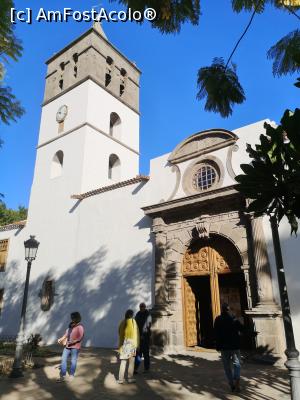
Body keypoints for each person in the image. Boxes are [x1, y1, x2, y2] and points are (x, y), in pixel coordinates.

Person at [214, 303, 244, 393]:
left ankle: (231, 384)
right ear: (228, 310)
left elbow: (216, 333)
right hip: (234, 346)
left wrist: (217, 345)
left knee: (227, 367)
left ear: (222, 310)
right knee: (237, 364)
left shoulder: (218, 319)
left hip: (224, 347)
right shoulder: (233, 319)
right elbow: (241, 328)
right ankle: (237, 379)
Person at [56, 311, 84, 382]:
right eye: (72, 317)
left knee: (73, 360)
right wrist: (61, 339)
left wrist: (74, 341)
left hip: (75, 347)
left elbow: (80, 336)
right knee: (63, 359)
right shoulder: (71, 325)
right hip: (67, 346)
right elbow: (66, 334)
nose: (72, 319)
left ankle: (71, 375)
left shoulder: (80, 327)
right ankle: (63, 375)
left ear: (77, 318)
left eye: (73, 317)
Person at [117, 309, 139, 384]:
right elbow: (137, 334)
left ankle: (120, 379)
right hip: (132, 345)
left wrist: (120, 344)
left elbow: (119, 332)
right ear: (132, 315)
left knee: (123, 362)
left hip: (124, 344)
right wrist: (137, 344)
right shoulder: (133, 322)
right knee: (131, 363)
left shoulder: (122, 322)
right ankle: (130, 378)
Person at [134, 302, 152, 373]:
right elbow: (135, 324)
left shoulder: (148, 315)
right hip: (138, 337)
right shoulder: (138, 314)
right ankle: (135, 369)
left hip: (145, 337)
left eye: (143, 307)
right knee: (138, 353)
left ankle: (146, 368)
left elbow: (147, 326)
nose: (141, 308)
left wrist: (143, 335)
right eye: (140, 307)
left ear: (145, 307)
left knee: (146, 353)